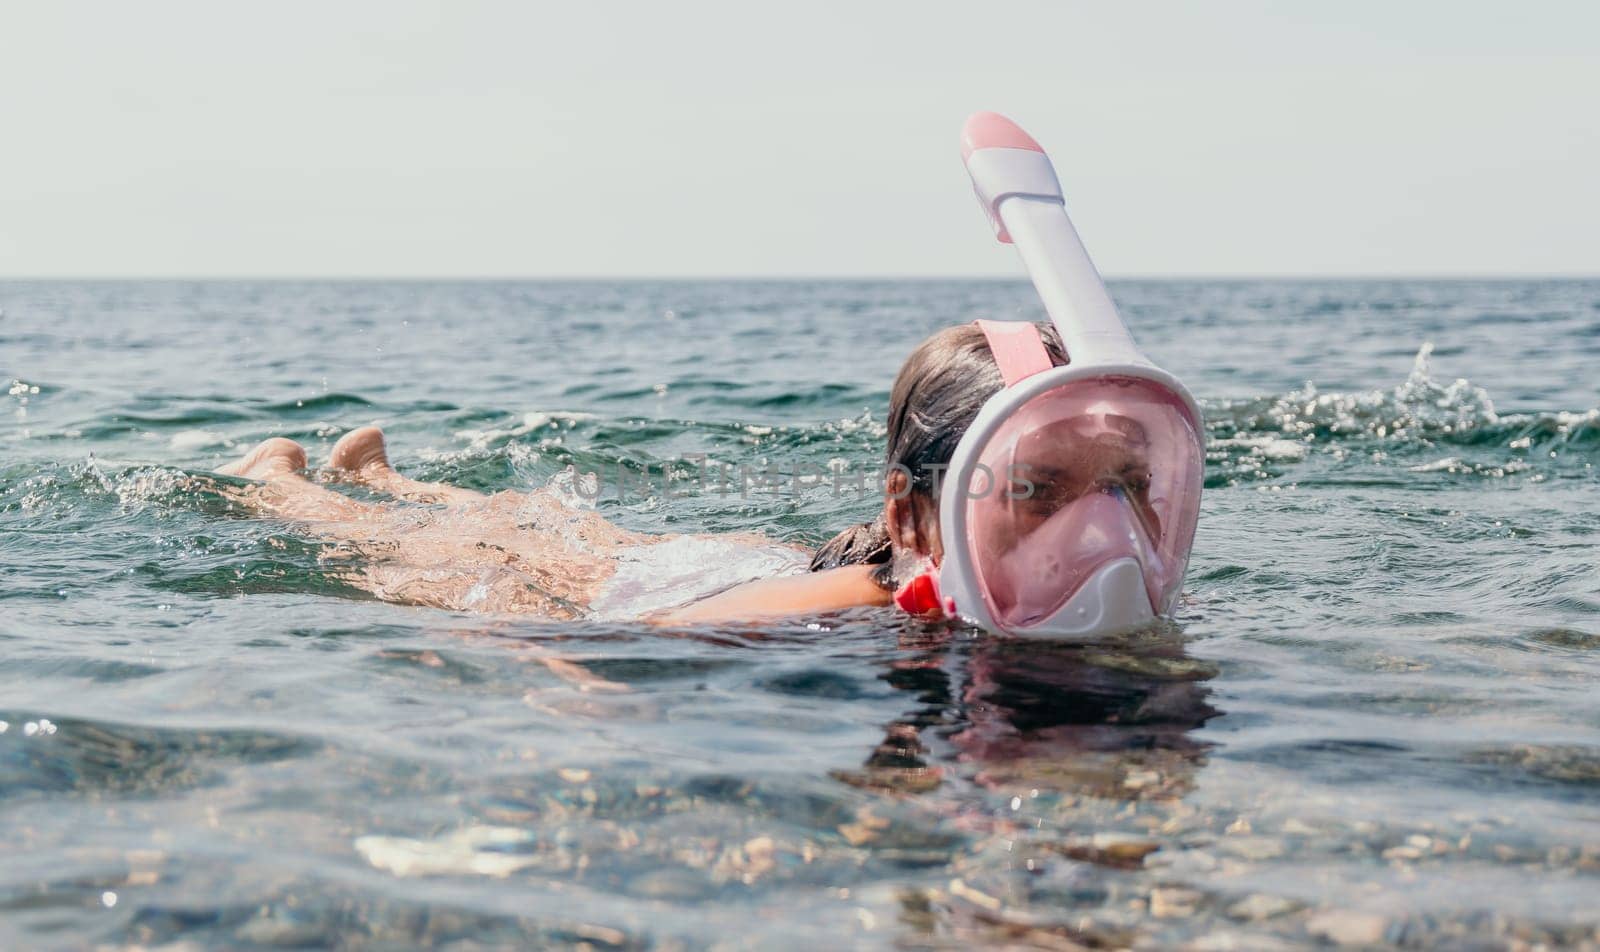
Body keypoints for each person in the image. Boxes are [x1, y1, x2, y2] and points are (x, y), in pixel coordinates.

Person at [216, 322, 1073, 625]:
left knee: (560, 533)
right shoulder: (861, 604)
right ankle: (288, 483)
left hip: (755, 559)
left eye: (1132, 483)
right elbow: (653, 629)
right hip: (686, 591)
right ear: (917, 516)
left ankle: (386, 478)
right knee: (494, 558)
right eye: (1033, 491)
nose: (1091, 529)